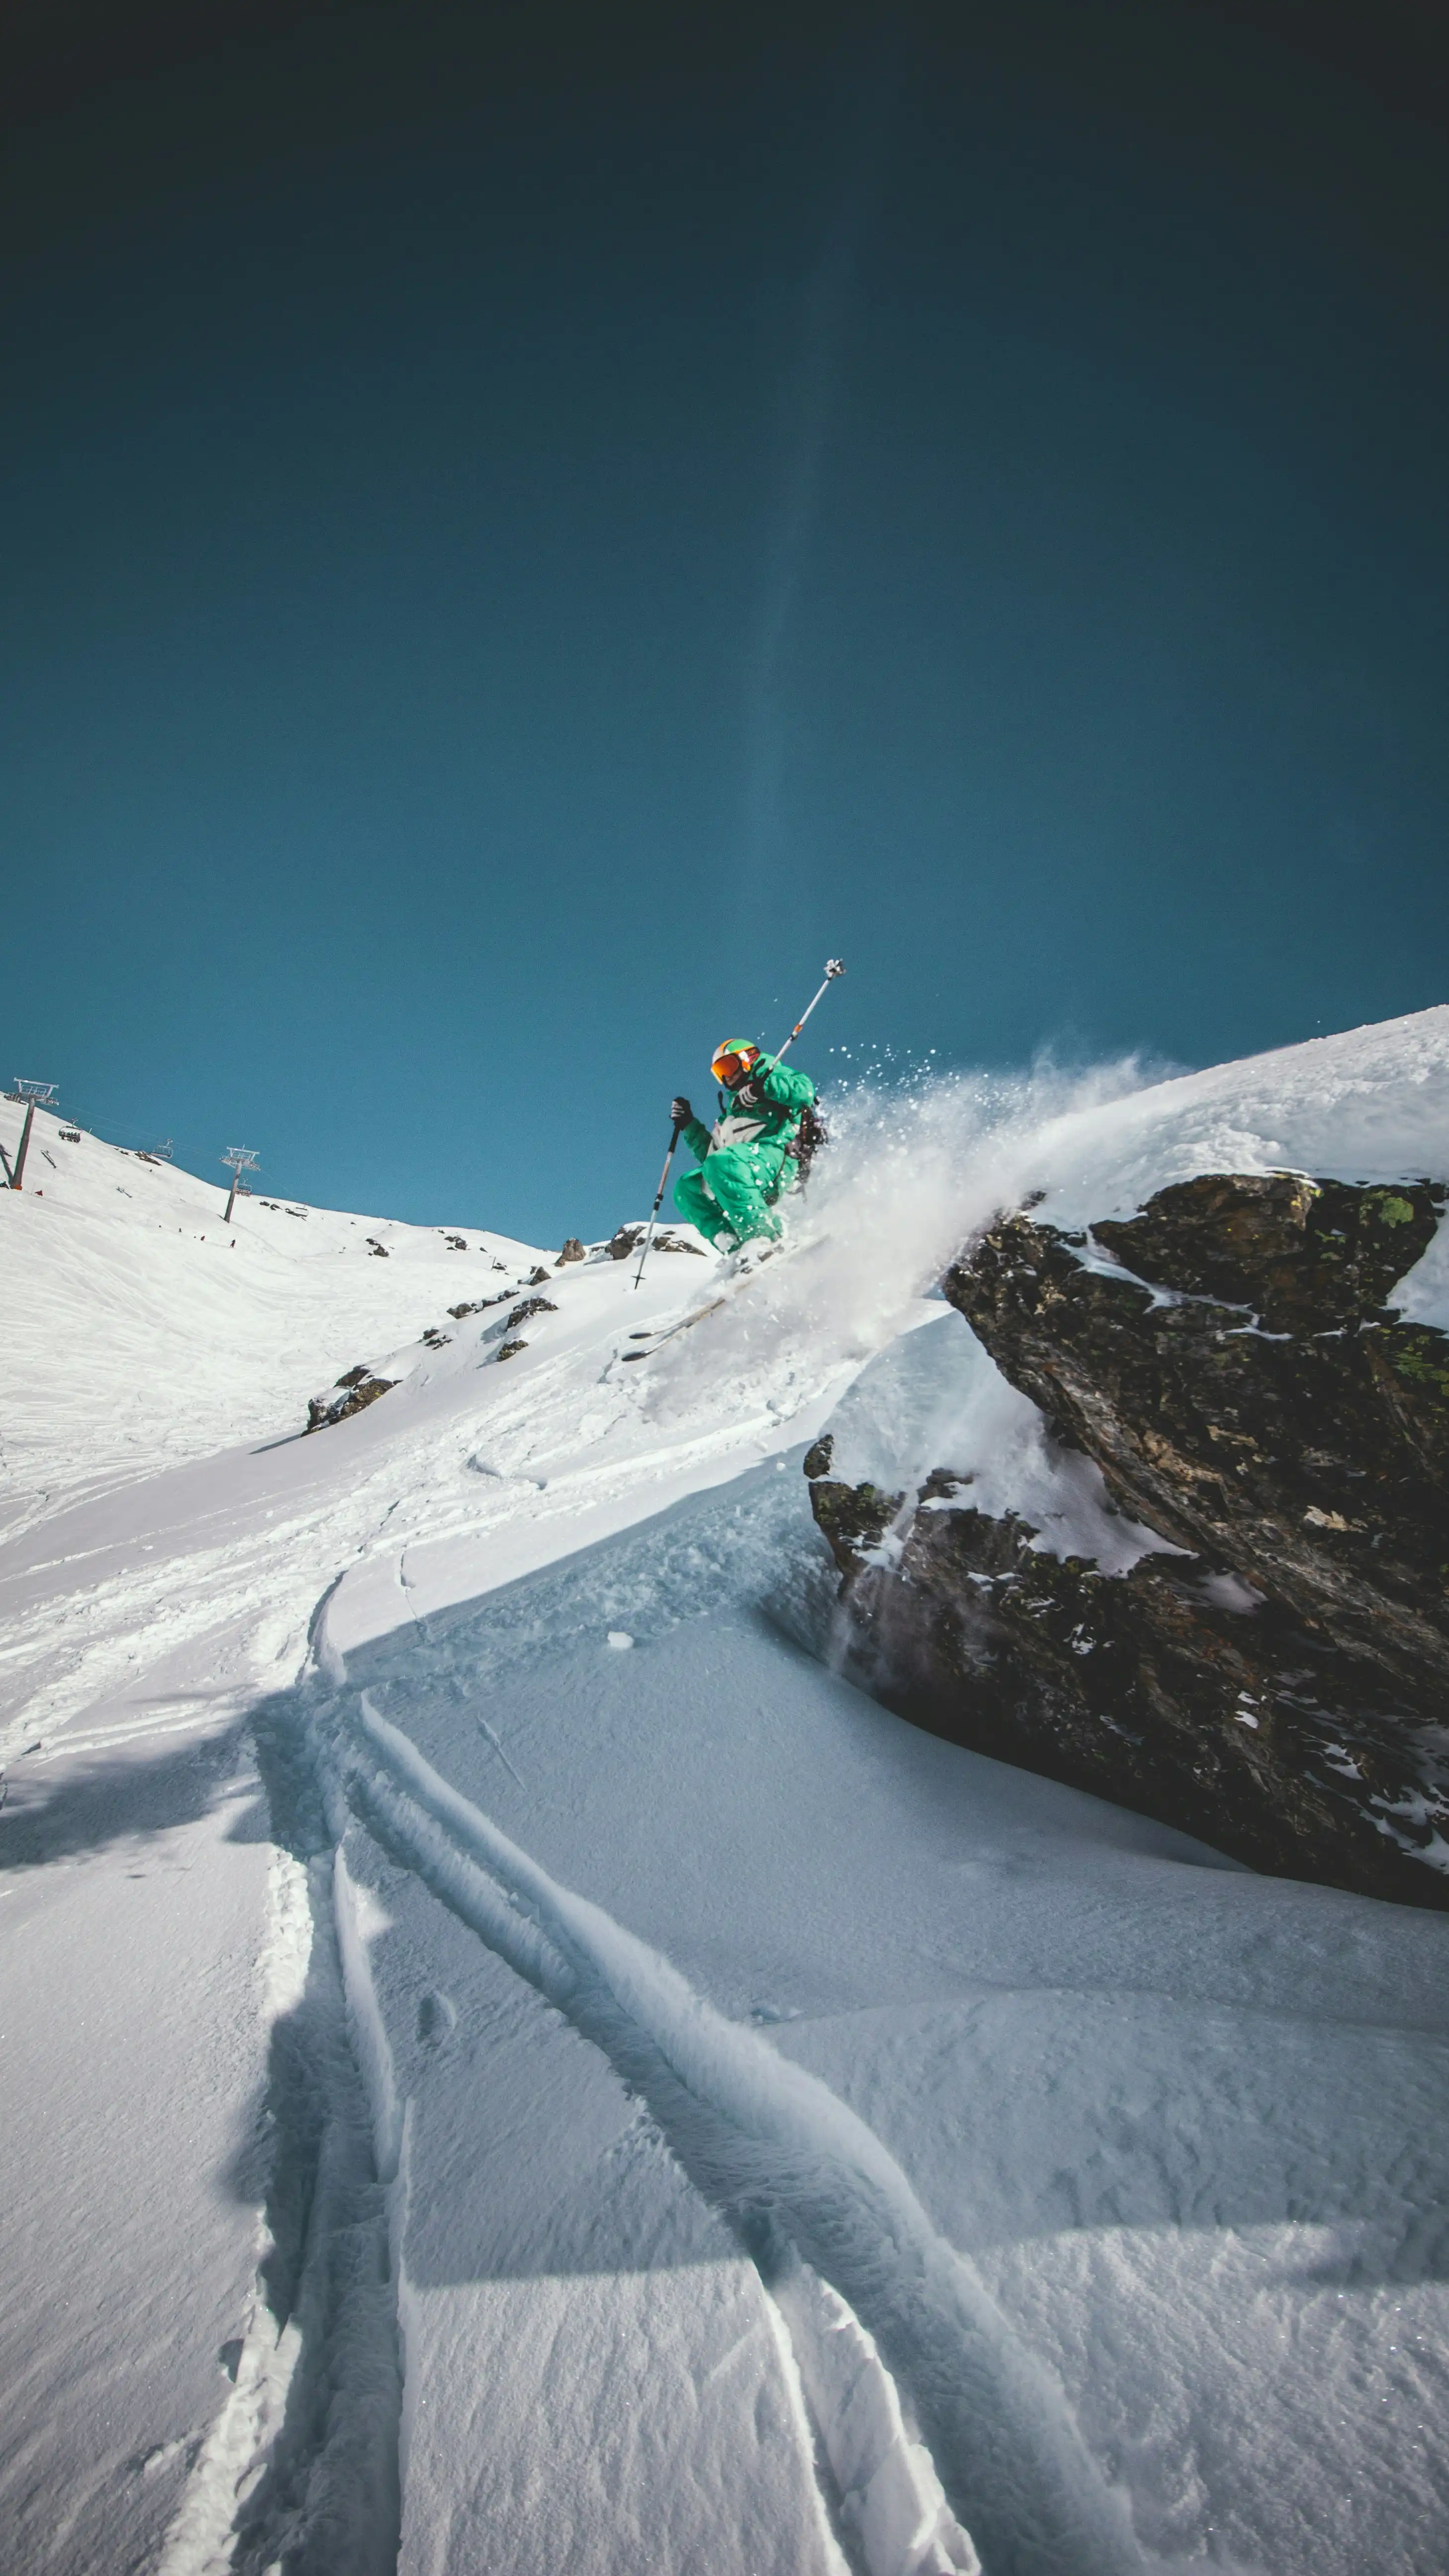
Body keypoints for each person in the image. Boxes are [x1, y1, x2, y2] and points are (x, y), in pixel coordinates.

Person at [670, 1038, 817, 1252]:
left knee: (724, 1163)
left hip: (778, 1155)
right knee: (686, 1188)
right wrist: (689, 1124)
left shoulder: (771, 1073)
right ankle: (736, 1249)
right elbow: (713, 1158)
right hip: (744, 1168)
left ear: (747, 1058)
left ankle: (766, 1240)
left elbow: (805, 1092)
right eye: (720, 1073)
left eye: (727, 1066)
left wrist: (764, 1087)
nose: (726, 1076)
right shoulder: (731, 1113)